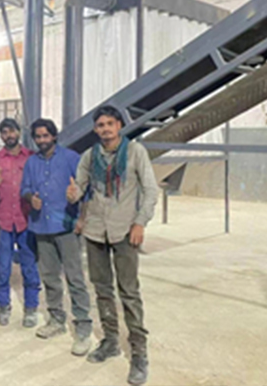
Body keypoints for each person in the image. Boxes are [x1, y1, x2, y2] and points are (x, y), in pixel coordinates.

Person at [67, 105, 158, 385]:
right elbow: (80, 189)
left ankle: (139, 352)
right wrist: (72, 194)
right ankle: (110, 340)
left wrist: (140, 222)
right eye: (100, 125)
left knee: (129, 292)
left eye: (109, 124)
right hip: (95, 231)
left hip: (125, 231)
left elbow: (151, 190)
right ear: (95, 130)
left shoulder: (135, 152)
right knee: (102, 289)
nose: (105, 129)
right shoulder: (89, 156)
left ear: (119, 125)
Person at [20, 118, 93, 357]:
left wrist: (81, 216)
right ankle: (56, 320)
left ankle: (82, 327)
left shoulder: (71, 158)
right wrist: (31, 198)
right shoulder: (31, 162)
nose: (42, 140)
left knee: (75, 278)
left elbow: (85, 190)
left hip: (67, 227)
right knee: (50, 277)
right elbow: (24, 188)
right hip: (41, 227)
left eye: (45, 135)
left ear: (54, 136)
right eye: (38, 136)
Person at [0, 118, 40, 328]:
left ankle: (31, 308)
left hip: (26, 220)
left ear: (19, 132)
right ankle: (4, 305)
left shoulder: (31, 157)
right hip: (4, 220)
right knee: (2, 266)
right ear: (1, 136)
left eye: (12, 131)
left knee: (29, 265)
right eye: (4, 132)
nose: (9, 135)